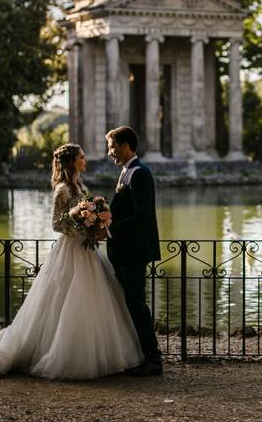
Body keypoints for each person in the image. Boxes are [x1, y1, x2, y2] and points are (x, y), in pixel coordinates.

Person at [0, 143, 143, 380]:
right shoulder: (63, 189)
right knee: (64, 300)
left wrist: (95, 222)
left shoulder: (81, 186)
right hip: (70, 250)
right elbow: (56, 223)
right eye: (82, 157)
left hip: (87, 251)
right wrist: (81, 224)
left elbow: (84, 215)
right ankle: (57, 353)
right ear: (72, 161)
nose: (86, 160)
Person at [105, 126, 163, 376]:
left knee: (137, 303)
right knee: (131, 303)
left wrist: (108, 231)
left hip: (134, 251)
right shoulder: (126, 172)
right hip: (124, 250)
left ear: (126, 145)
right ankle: (141, 355)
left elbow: (140, 216)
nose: (110, 153)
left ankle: (153, 359)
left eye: (112, 147)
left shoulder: (140, 173)